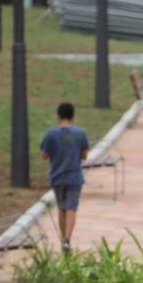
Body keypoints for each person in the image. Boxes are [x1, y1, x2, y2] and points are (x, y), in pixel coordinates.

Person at [40, 101, 90, 252]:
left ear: (58, 115)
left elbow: (44, 155)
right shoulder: (80, 133)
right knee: (71, 208)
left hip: (57, 176)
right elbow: (84, 155)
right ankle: (67, 238)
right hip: (75, 176)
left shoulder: (51, 134)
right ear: (72, 116)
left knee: (61, 207)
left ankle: (63, 239)